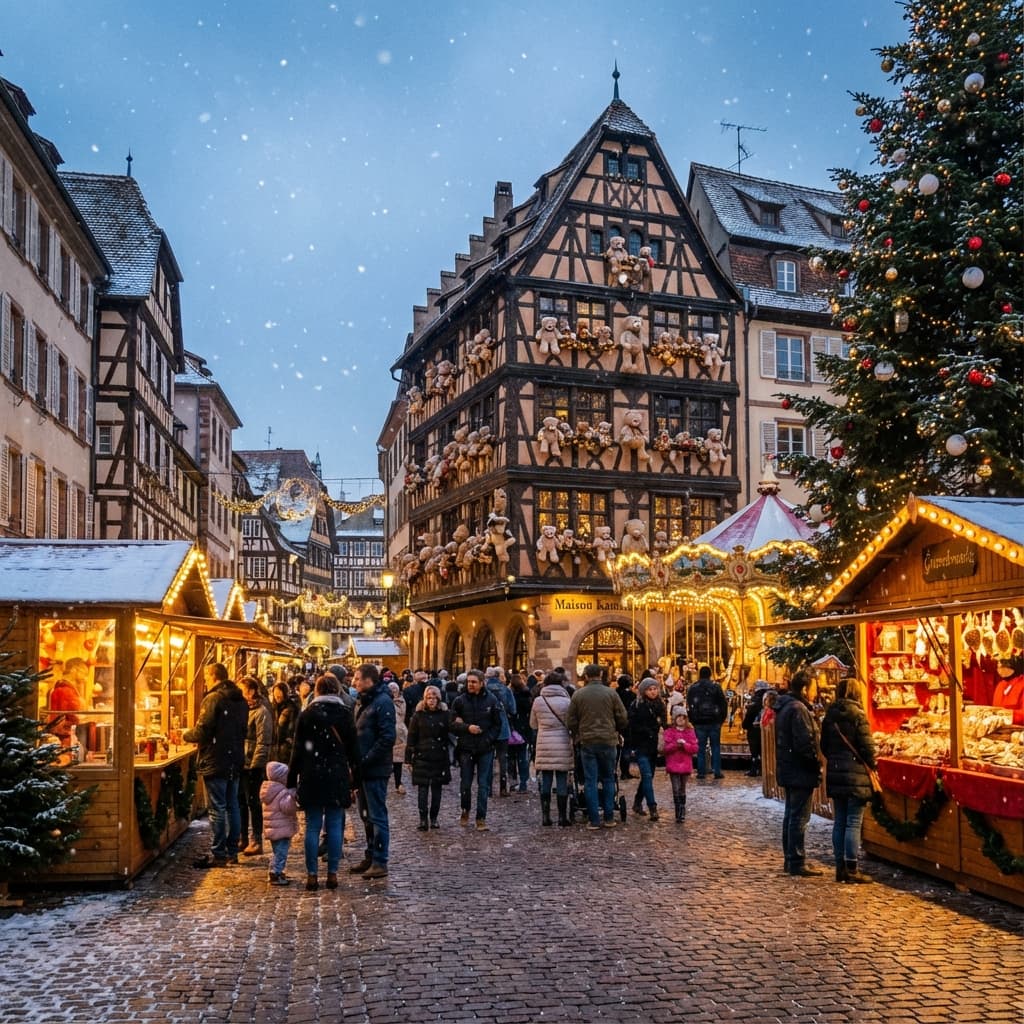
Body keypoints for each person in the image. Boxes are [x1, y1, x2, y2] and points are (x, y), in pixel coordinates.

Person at [287, 674, 360, 891]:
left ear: (316, 691)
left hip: (312, 774)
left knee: (312, 826)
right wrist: (356, 778)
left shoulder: (307, 714)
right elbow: (354, 750)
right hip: (336, 775)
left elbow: (298, 749)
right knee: (336, 826)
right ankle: (333, 874)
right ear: (337, 690)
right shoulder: (345, 714)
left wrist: (292, 779)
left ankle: (311, 875)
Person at [185, 663, 248, 868]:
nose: (204, 680)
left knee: (218, 807)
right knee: (232, 806)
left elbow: (203, 730)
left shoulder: (213, 699)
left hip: (216, 759)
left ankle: (219, 853)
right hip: (234, 758)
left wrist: (185, 735)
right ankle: (232, 851)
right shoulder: (240, 700)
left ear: (213, 676)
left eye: (206, 676)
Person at [819, 677, 877, 884]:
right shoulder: (858, 715)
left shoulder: (829, 716)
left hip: (835, 772)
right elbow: (867, 746)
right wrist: (873, 765)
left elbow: (824, 746)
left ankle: (839, 867)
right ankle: (852, 867)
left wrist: (835, 758)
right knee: (853, 822)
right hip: (855, 773)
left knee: (840, 821)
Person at [565, 663, 628, 831]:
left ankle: (593, 819)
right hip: (608, 740)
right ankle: (608, 817)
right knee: (608, 777)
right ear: (601, 675)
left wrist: (578, 732)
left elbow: (570, 720)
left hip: (587, 741)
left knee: (590, 780)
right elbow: (622, 717)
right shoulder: (611, 693)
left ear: (585, 676)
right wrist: (616, 729)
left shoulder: (578, 695)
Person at [774, 670, 824, 877]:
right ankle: (796, 859)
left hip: (789, 768)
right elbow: (805, 743)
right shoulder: (798, 709)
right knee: (799, 817)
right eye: (814, 688)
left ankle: (791, 858)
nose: (816, 692)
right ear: (804, 688)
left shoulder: (786, 707)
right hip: (799, 770)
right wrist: (815, 763)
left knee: (791, 814)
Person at [349, 663, 396, 880]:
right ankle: (371, 855)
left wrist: (367, 760)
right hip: (362, 768)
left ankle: (380, 861)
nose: (354, 682)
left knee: (377, 816)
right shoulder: (364, 701)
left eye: (357, 678)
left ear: (369, 680)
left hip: (375, 768)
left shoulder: (382, 702)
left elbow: (387, 737)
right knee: (365, 815)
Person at [450, 668, 502, 830]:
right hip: (466, 747)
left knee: (483, 784)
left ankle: (481, 818)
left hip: (485, 747)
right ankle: (465, 809)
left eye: (474, 682)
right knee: (465, 784)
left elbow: (497, 724)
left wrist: (488, 739)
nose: (470, 684)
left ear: (481, 683)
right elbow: (451, 724)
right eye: (469, 682)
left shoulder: (491, 700)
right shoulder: (460, 701)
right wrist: (467, 728)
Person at [529, 671, 574, 826]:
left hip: (544, 744)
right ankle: (562, 817)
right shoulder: (567, 701)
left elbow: (533, 724)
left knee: (546, 778)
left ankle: (546, 817)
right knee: (562, 778)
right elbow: (570, 724)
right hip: (562, 742)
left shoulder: (538, 701)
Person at [405, 684, 452, 830]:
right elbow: (411, 737)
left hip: (439, 756)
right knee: (423, 790)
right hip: (421, 756)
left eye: (434, 698)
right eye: (428, 698)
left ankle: (434, 818)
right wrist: (408, 758)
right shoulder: (418, 715)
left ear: (438, 699)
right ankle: (423, 819)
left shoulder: (445, 715)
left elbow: (451, 731)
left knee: (436, 790)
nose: (431, 700)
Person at [240, 677, 275, 856]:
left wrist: (256, 765)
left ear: (252, 691)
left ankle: (256, 840)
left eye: (243, 689)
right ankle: (242, 837)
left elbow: (263, 742)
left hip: (252, 764)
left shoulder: (261, 712)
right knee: (240, 802)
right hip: (240, 762)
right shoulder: (242, 710)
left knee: (252, 802)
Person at [628, 677, 666, 821]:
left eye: (655, 688)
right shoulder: (637, 705)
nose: (653, 692)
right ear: (644, 691)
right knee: (647, 776)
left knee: (648, 777)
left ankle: (637, 803)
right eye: (650, 689)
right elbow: (632, 725)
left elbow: (663, 723)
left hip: (653, 746)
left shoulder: (660, 705)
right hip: (640, 745)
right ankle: (652, 807)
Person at [259, 760, 298, 886]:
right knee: (281, 853)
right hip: (282, 829)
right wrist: (292, 796)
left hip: (273, 829)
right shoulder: (282, 792)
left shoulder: (268, 790)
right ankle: (275, 872)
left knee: (277, 852)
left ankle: (276, 870)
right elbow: (288, 808)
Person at [686, 665, 728, 779]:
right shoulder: (716, 687)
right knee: (715, 747)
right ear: (710, 674)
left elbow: (689, 704)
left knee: (700, 747)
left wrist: (692, 719)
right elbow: (723, 704)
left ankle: (701, 771)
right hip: (714, 721)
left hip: (699, 722)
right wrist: (721, 719)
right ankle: (717, 771)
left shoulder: (693, 687)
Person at [663, 706, 699, 822]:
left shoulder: (690, 732)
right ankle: (678, 811)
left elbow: (694, 748)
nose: (681, 720)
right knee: (675, 788)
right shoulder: (669, 732)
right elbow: (666, 749)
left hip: (685, 765)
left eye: (683, 718)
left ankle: (682, 810)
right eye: (678, 717)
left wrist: (685, 745)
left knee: (682, 788)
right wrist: (676, 744)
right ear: (674, 718)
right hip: (673, 765)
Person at [484, 666, 517, 797]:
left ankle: (488, 789)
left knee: (488, 759)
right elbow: (513, 709)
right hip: (503, 727)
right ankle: (503, 787)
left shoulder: (484, 690)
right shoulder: (506, 690)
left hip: (488, 728)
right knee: (503, 758)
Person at [46, 658, 88, 748]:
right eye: (84, 673)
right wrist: (87, 718)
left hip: (59, 732)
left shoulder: (60, 687)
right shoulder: (66, 690)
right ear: (74, 670)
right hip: (64, 736)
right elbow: (73, 715)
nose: (85, 677)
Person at [508, 672, 533, 793]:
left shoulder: (509, 695)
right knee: (523, 757)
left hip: (511, 729)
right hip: (523, 729)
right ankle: (523, 783)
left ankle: (513, 782)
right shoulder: (526, 695)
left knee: (511, 758)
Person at [742, 680, 771, 777]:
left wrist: (745, 724)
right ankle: (764, 768)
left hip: (754, 727)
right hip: (767, 727)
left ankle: (754, 769)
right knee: (764, 750)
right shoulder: (769, 697)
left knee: (754, 750)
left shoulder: (756, 699)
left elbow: (751, 713)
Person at [270, 681, 301, 764]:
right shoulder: (273, 708)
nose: (277, 695)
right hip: (274, 747)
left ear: (285, 693)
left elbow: (292, 728)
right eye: (275, 692)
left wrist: (288, 742)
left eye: (279, 692)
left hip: (285, 748)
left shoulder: (292, 708)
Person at [389, 681, 409, 795]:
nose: (393, 691)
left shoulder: (401, 701)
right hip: (390, 732)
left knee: (398, 760)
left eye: (395, 689)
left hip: (399, 733)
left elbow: (402, 714)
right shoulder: (385, 701)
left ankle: (398, 783)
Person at [992, 656, 1024, 724]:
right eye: (998, 666)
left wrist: (1005, 715)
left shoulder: (1022, 684)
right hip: (999, 726)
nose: (999, 669)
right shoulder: (1000, 685)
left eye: (1003, 666)